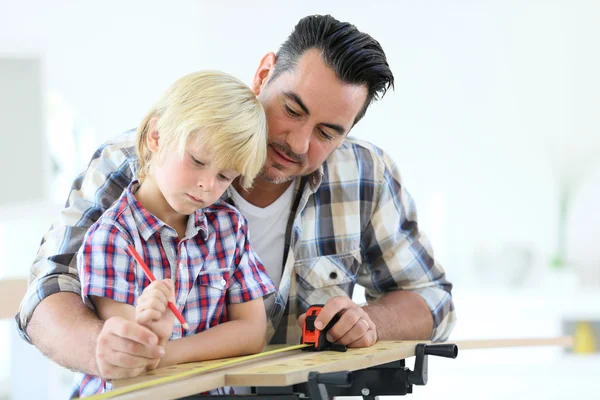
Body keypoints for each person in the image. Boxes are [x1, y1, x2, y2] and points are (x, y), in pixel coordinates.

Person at [18, 14, 456, 384]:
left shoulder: (365, 174)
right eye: (293, 110)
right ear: (264, 73)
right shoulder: (134, 161)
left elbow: (432, 298)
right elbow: (46, 291)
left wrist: (371, 323)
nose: (300, 143)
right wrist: (106, 350)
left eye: (327, 132)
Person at [72, 70, 276, 396]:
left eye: (224, 176)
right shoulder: (112, 237)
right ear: (156, 136)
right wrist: (150, 333)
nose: (207, 186)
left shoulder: (229, 228)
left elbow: (252, 332)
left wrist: (167, 351)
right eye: (197, 161)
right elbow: (130, 354)